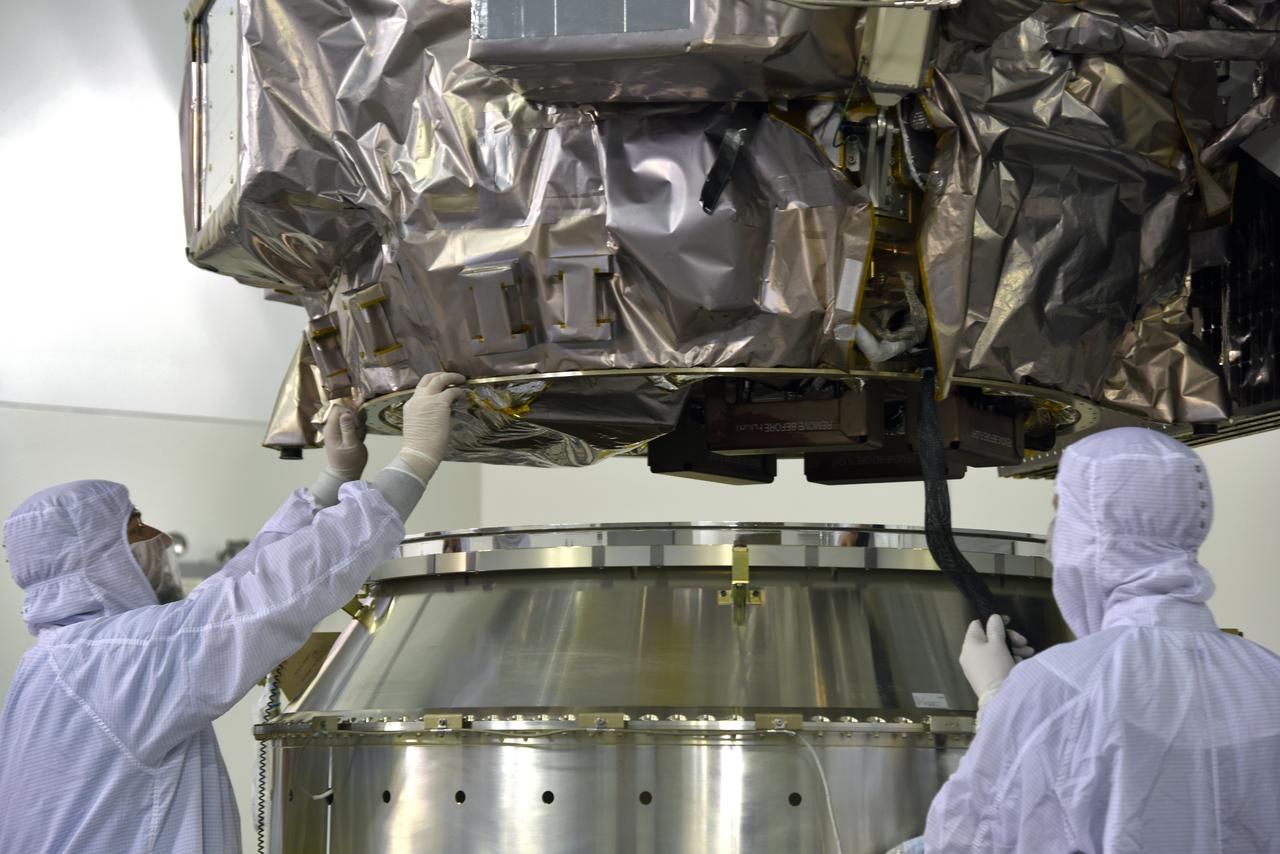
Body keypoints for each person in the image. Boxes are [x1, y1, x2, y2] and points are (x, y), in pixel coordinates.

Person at [0, 372, 467, 853]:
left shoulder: (61, 661)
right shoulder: (115, 661)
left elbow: (232, 589)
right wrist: (414, 460)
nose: (158, 534)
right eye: (135, 527)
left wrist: (336, 480)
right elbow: (273, 592)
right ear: (96, 559)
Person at [897, 427, 1280, 853]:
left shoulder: (1060, 687)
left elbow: (965, 842)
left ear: (1093, 530)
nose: (1051, 539)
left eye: (1063, 511)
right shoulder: (1270, 675)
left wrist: (999, 697)